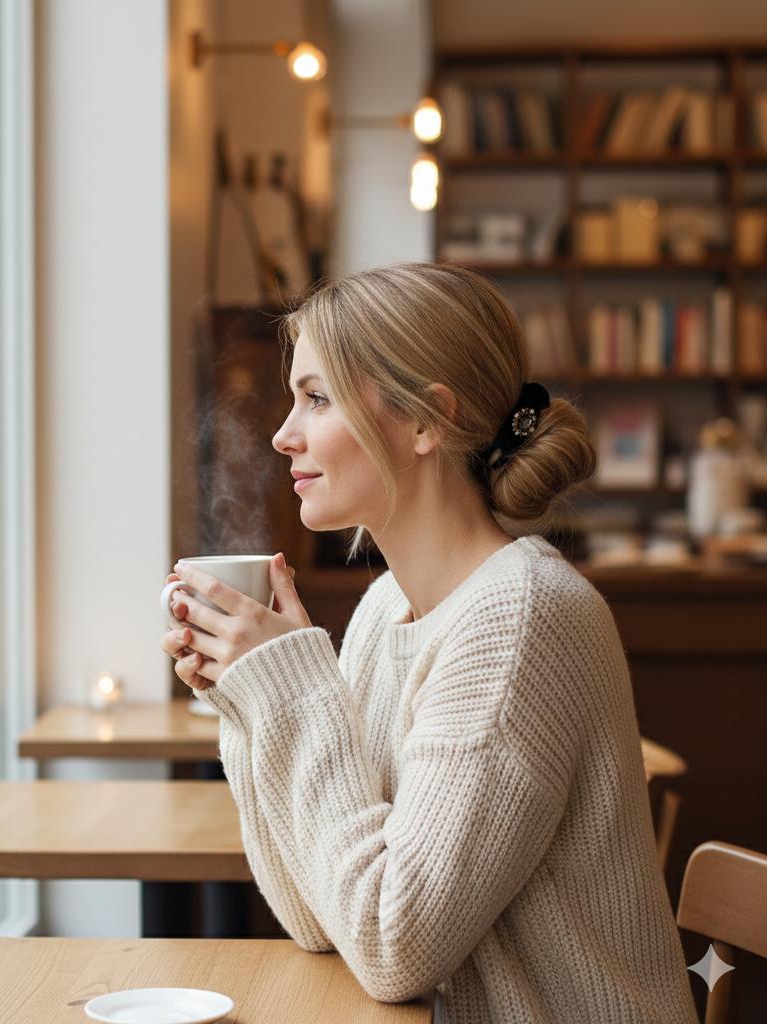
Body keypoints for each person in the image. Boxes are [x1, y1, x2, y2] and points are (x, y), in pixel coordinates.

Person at [160, 262, 699, 1024]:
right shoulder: (389, 609)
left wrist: (296, 691)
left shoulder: (521, 620)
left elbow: (391, 946)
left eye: (316, 398)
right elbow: (324, 921)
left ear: (426, 421)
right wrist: (251, 708)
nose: (283, 435)